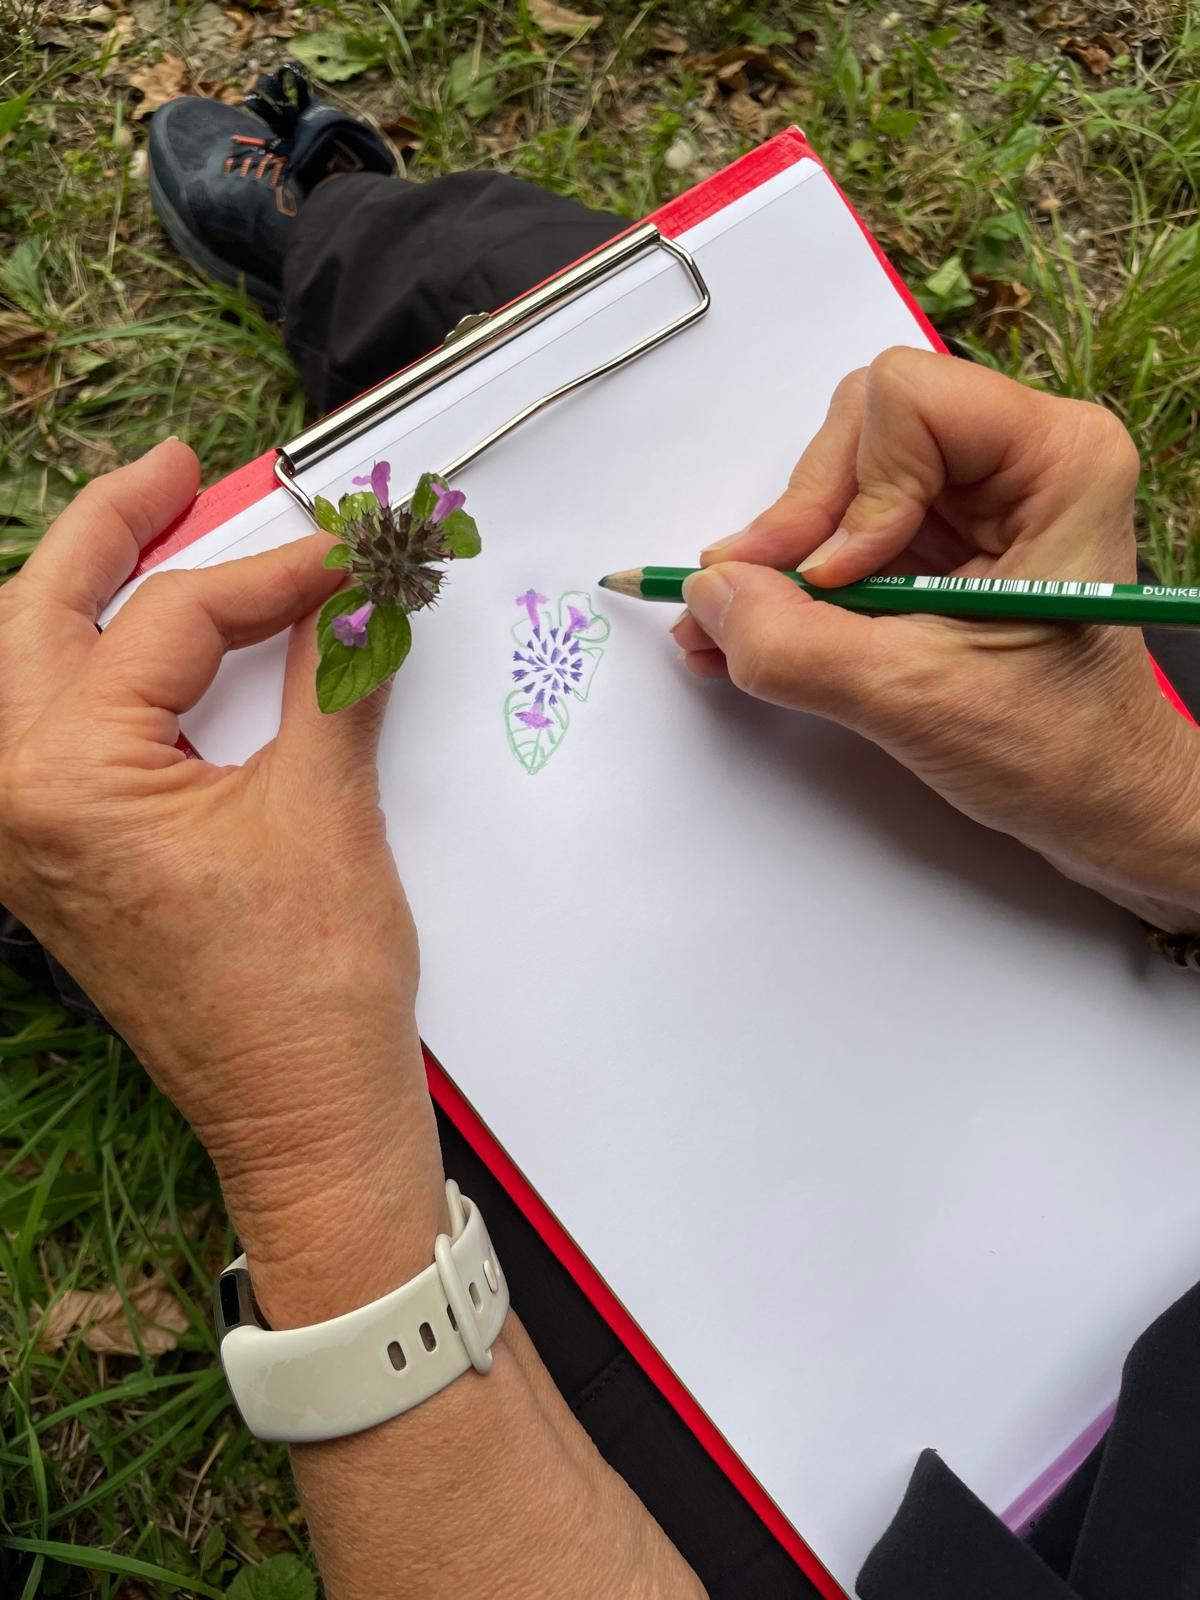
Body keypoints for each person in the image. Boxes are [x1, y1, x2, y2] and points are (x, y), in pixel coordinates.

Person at [4, 63, 1200, 1600]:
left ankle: (72, 905)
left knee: (188, 784)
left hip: (851, 1479)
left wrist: (312, 1152)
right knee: (563, 317)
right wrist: (1165, 815)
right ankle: (336, 227)